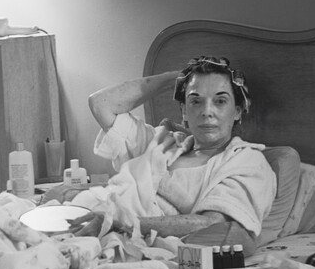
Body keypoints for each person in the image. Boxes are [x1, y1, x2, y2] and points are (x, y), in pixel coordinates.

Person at [54, 56, 276, 245]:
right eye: (195, 101)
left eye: (220, 101)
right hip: (83, 217)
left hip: (117, 233)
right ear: (184, 112)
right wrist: (178, 79)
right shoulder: (163, 142)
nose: (207, 111)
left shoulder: (246, 161)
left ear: (237, 111)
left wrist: (118, 223)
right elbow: (100, 104)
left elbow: (212, 223)